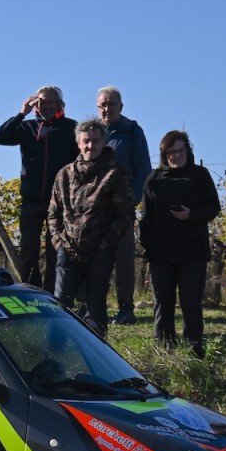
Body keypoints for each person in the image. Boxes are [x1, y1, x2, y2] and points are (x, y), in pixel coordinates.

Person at [47, 120, 134, 340]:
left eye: (95, 141)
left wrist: (105, 244)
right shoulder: (64, 174)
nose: (90, 146)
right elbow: (53, 214)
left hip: (100, 252)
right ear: (78, 143)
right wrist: (59, 242)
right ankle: (56, 352)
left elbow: (124, 215)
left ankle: (96, 354)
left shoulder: (114, 174)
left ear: (104, 142)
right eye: (86, 141)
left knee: (96, 308)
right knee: (60, 306)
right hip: (68, 250)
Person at [139, 131, 221, 357]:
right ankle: (164, 346)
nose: (176, 156)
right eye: (171, 152)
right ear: (164, 154)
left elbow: (213, 207)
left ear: (188, 151)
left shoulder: (200, 175)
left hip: (192, 251)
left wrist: (191, 214)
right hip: (160, 252)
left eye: (180, 151)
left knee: (190, 301)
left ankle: (194, 348)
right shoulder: (154, 179)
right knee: (162, 302)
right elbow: (146, 215)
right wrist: (147, 243)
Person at [0, 86, 78, 290]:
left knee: (55, 250)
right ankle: (30, 291)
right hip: (31, 200)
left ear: (59, 104)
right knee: (28, 251)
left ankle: (51, 294)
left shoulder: (71, 128)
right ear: (34, 104)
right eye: (41, 102)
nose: (46, 106)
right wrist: (21, 114)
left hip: (58, 202)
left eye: (50, 102)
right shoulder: (27, 127)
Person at [97, 86, 152, 325]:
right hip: (96, 206)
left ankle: (125, 308)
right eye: (103, 105)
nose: (107, 109)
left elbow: (144, 169)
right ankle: (94, 306)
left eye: (111, 104)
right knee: (96, 258)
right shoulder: (94, 131)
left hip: (122, 207)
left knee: (123, 259)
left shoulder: (132, 131)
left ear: (121, 106)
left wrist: (133, 201)